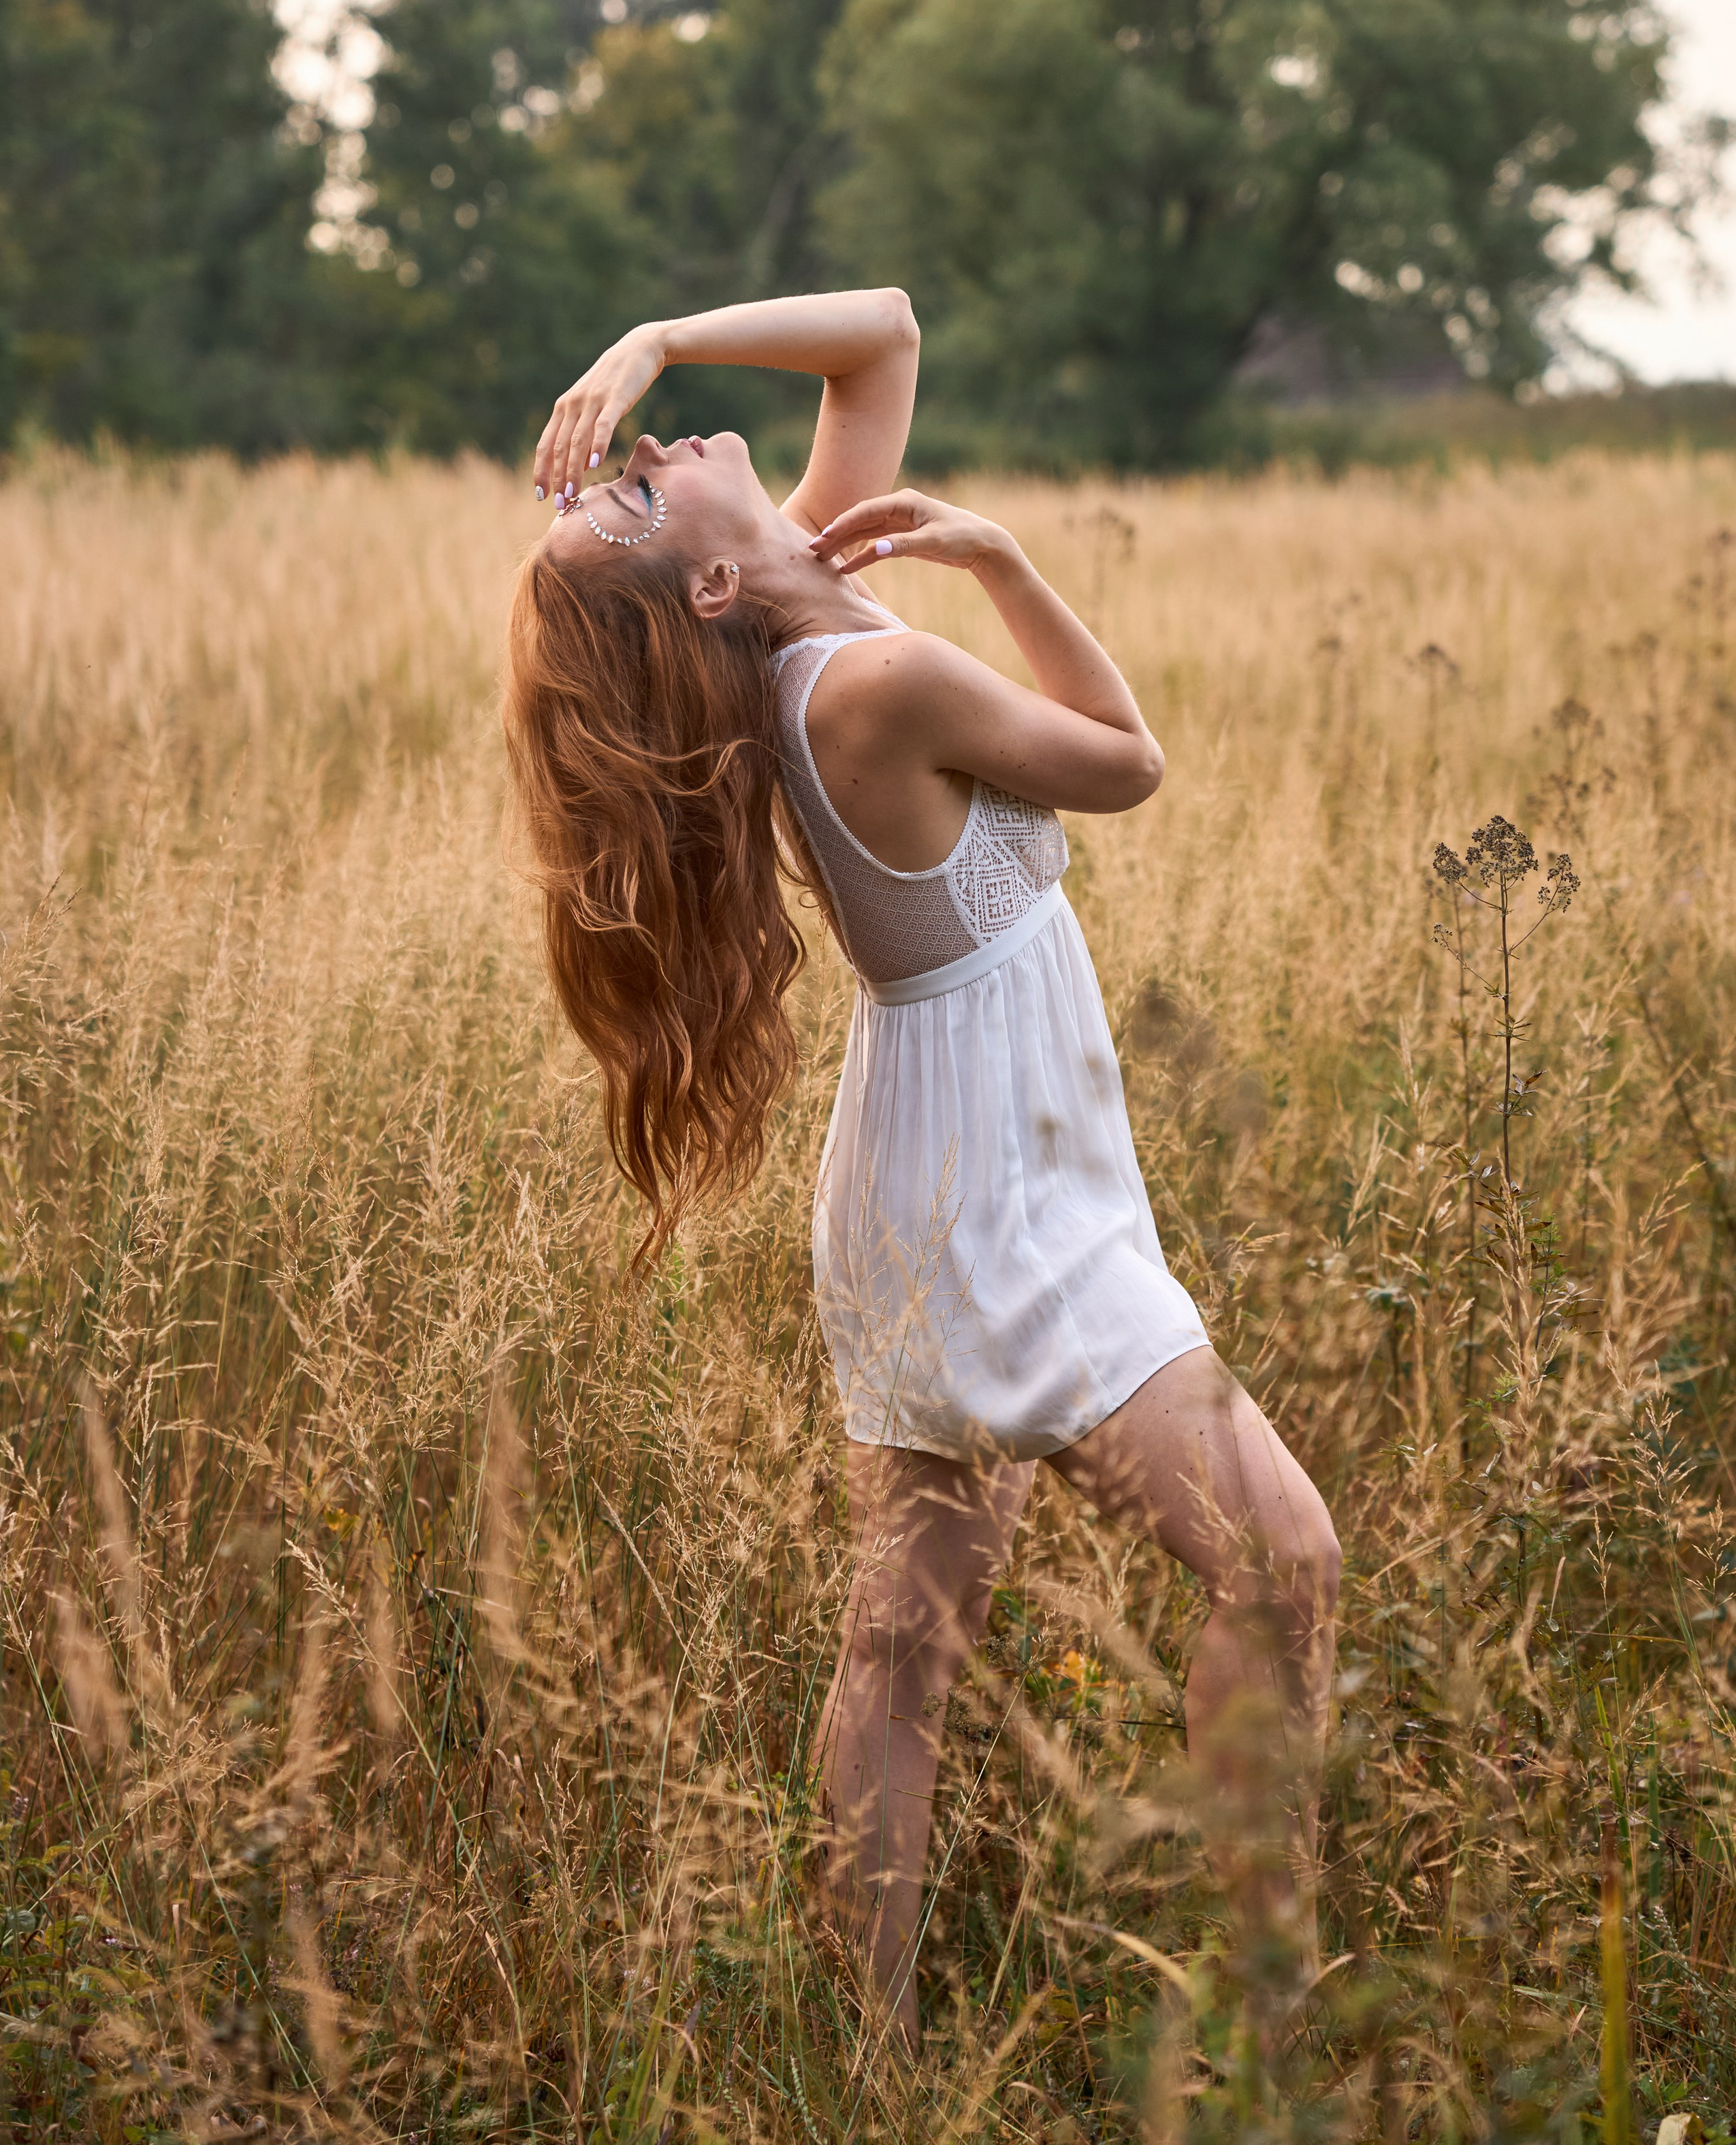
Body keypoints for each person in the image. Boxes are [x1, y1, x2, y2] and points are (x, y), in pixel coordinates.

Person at [504, 289, 1340, 2047]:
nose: (658, 449)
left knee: (905, 1641)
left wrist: (652, 335)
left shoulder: (783, 619)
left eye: (639, 458)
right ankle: (1271, 2014)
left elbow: (877, 339)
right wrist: (1013, 563)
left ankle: (867, 2046)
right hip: (1000, 1195)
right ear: (713, 584)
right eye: (642, 491)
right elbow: (1128, 761)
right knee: (1281, 1564)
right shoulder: (870, 674)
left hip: (931, 1162)